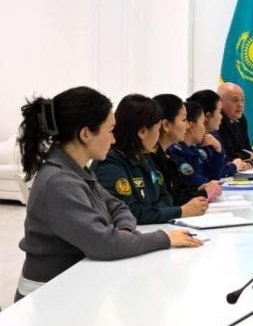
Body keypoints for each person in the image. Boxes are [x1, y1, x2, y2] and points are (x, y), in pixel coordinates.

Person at [15, 87, 201, 301]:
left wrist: (124, 232)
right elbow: (105, 244)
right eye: (110, 130)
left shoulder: (76, 170)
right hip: (47, 296)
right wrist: (164, 238)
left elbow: (118, 207)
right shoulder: (60, 181)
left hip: (74, 285)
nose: (113, 140)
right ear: (86, 134)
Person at [96, 94, 208, 224]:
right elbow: (131, 212)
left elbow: (166, 197)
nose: (158, 134)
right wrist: (180, 212)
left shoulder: (145, 156)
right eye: (157, 128)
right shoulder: (111, 164)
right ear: (142, 132)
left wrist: (153, 211)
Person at [166, 100, 224, 202]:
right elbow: (194, 182)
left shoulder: (193, 149)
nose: (204, 128)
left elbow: (212, 175)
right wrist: (208, 184)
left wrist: (218, 149)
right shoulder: (176, 152)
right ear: (191, 126)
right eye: (203, 123)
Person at [187, 89, 249, 178]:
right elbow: (208, 174)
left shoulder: (214, 136)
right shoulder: (193, 143)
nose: (221, 117)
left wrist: (218, 148)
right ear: (207, 116)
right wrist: (233, 166)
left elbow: (224, 163)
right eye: (219, 112)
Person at [217, 82, 253, 166]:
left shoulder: (241, 119)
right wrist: (247, 156)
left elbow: (249, 150)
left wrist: (249, 162)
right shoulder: (218, 122)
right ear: (220, 102)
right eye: (235, 100)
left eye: (242, 100)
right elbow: (229, 156)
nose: (240, 105)